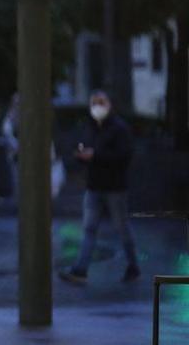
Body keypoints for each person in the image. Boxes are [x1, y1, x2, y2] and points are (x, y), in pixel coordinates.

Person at [59, 90, 140, 285]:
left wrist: (95, 155)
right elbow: (86, 149)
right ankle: (80, 270)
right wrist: (82, 156)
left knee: (122, 228)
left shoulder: (119, 128)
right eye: (94, 102)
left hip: (114, 188)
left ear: (109, 104)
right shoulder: (91, 127)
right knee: (89, 229)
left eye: (101, 102)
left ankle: (133, 265)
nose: (97, 106)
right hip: (94, 186)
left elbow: (124, 156)